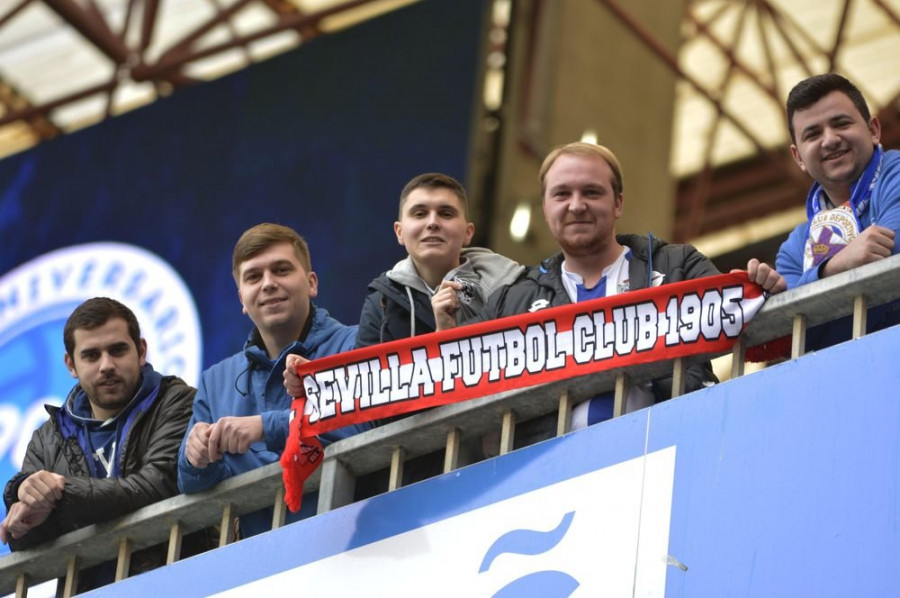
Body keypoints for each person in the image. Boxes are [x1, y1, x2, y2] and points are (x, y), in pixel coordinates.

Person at [435, 142, 785, 430]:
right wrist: (445, 336)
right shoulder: (513, 298)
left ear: (617, 202)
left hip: (674, 454)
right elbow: (462, 389)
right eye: (562, 194)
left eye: (591, 192)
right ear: (545, 208)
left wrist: (769, 295)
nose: (576, 205)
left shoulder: (676, 265)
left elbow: (764, 339)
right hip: (551, 483)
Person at [177, 223, 368, 539]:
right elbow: (190, 483)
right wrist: (195, 457)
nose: (268, 284)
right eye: (253, 276)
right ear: (242, 298)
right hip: (265, 567)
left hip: (356, 542)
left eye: (281, 270)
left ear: (311, 283)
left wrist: (266, 427)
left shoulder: (357, 343)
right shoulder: (215, 381)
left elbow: (365, 426)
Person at [1, 297, 199, 594]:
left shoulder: (177, 401)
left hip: (177, 586)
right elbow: (24, 537)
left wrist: (60, 492)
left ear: (141, 350)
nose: (107, 365)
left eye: (118, 350)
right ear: (71, 365)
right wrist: (22, 498)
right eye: (91, 355)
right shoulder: (47, 437)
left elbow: (157, 485)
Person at [775, 74, 899, 347]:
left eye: (841, 123)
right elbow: (789, 328)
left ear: (874, 130)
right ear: (798, 157)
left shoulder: (896, 176)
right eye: (813, 134)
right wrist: (834, 268)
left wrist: (816, 295)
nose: (829, 139)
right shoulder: (794, 249)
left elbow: (891, 249)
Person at [356, 172, 524, 347]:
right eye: (420, 214)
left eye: (446, 214)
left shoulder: (514, 290)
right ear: (400, 232)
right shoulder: (381, 304)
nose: (432, 222)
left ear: (468, 233)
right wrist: (441, 338)